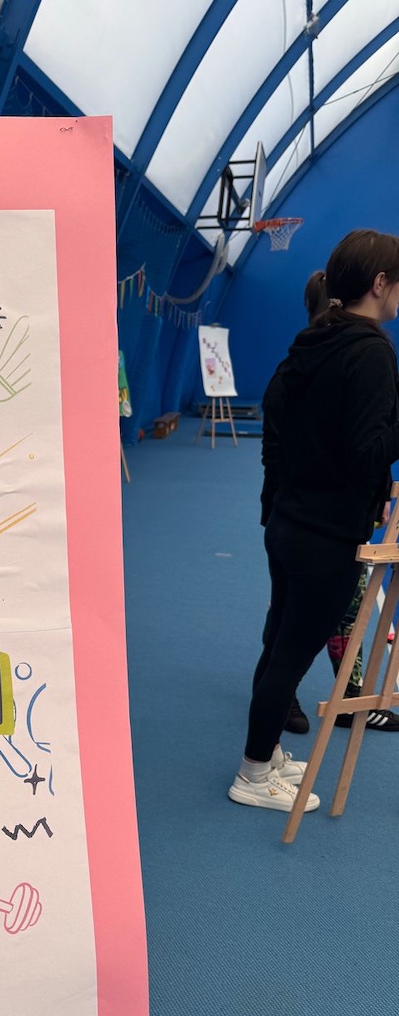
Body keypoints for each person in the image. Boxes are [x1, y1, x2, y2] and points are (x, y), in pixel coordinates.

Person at [230, 229, 399, 811]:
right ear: (380, 283)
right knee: (291, 653)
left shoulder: (318, 337)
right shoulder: (369, 350)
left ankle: (267, 754)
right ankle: (253, 773)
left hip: (290, 520)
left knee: (280, 640)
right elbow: (365, 450)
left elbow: (298, 423)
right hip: (323, 532)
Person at [261, 269, 399, 737]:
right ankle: (271, 731)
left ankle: (337, 696)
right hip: (312, 522)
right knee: (293, 631)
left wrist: (376, 492)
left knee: (319, 618)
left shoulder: (324, 357)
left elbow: (356, 438)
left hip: (307, 517)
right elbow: (349, 449)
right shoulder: (332, 359)